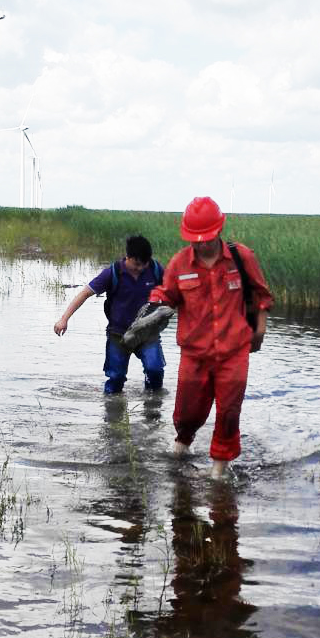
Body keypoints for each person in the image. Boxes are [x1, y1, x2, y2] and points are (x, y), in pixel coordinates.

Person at [147, 197, 273, 479]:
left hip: (234, 350)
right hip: (195, 352)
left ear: (219, 230)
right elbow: (167, 294)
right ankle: (183, 441)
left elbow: (262, 295)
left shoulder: (242, 257)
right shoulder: (180, 263)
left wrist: (260, 329)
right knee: (187, 411)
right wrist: (155, 302)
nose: (202, 244)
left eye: (207, 238)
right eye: (196, 239)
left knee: (229, 411)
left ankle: (219, 467)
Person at [54, 234, 166, 394]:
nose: (141, 268)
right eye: (137, 264)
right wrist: (64, 319)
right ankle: (113, 415)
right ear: (128, 257)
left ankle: (152, 412)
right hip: (118, 333)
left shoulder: (155, 270)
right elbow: (84, 293)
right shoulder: (112, 273)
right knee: (116, 379)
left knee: (155, 370)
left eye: (144, 264)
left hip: (148, 333)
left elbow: (175, 291)